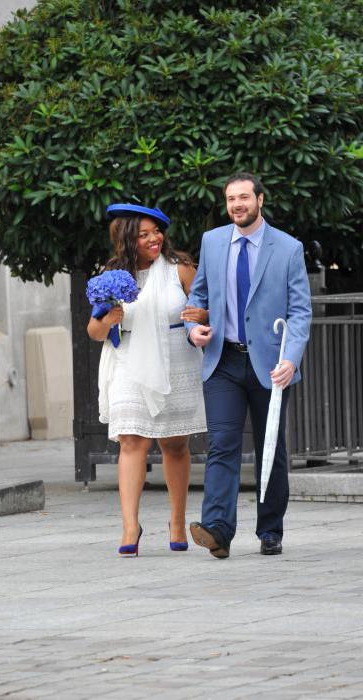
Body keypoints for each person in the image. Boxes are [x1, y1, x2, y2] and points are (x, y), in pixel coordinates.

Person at [185, 173, 312, 558]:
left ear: (259, 199)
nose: (237, 205)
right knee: (222, 444)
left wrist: (290, 359)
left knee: (270, 447)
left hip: (271, 365)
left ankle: (270, 528)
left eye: (243, 197)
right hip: (222, 360)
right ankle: (218, 530)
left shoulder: (288, 248)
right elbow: (199, 292)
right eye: (230, 199)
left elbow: (300, 311)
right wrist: (193, 328)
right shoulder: (212, 241)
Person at [87, 203, 207, 556]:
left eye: (157, 231)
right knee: (131, 441)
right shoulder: (110, 275)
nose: (154, 238)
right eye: (144, 234)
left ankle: (177, 520)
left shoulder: (179, 269)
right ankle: (129, 527)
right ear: (127, 239)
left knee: (174, 444)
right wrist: (109, 317)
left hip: (176, 359)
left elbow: (205, 309)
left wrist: (202, 314)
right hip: (128, 361)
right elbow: (93, 331)